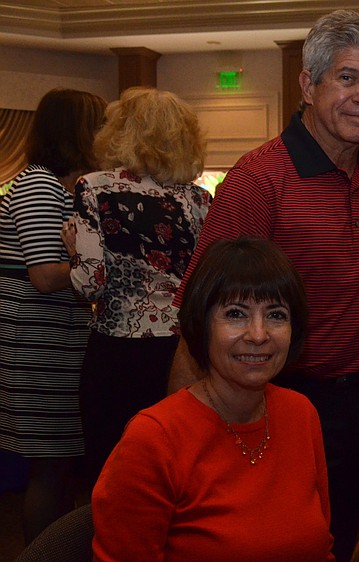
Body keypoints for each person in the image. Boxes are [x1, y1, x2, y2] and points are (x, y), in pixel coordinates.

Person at [166, 11, 359, 561]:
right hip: (269, 406)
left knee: (337, 540)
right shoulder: (260, 177)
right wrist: (179, 437)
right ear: (308, 84)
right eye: (347, 77)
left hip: (357, 412)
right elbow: (200, 311)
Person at [91, 238, 333, 561]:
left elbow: (320, 549)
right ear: (202, 324)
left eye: (276, 315)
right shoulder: (153, 440)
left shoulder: (300, 413)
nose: (258, 334)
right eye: (236, 314)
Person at [60, 87, 211, 489]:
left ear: (121, 132)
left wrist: (74, 250)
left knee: (115, 474)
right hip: (184, 354)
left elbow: (89, 284)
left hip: (119, 351)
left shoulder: (95, 188)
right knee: (175, 470)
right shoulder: (199, 199)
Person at [0, 88, 106, 542]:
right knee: (51, 466)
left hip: (53, 343)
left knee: (59, 466)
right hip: (37, 346)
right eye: (98, 124)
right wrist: (102, 268)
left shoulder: (57, 184)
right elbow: (45, 275)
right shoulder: (39, 184)